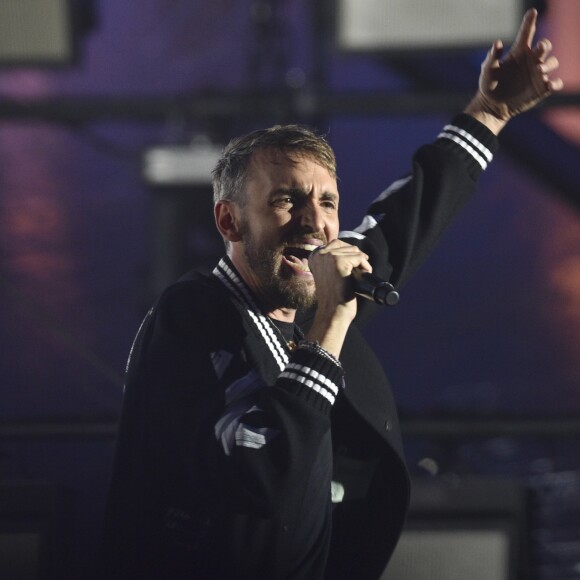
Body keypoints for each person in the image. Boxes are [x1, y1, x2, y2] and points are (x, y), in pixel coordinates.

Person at [102, 9, 562, 580]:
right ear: (229, 222)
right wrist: (327, 334)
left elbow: (402, 222)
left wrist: (489, 114)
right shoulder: (193, 319)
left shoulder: (313, 294)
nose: (315, 224)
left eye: (327, 202)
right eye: (287, 200)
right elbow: (263, 476)